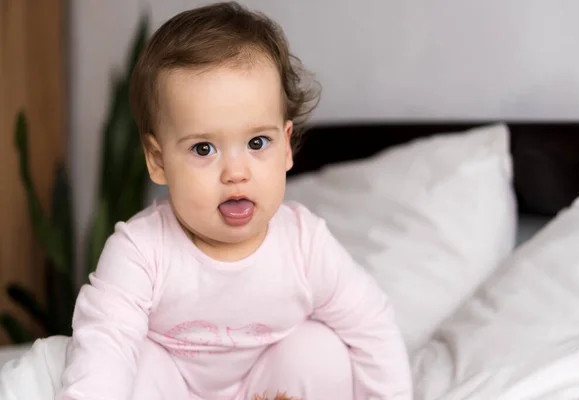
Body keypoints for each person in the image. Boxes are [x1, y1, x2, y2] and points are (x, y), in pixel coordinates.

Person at [57, 2, 412, 399]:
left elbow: (372, 325)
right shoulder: (140, 251)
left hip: (268, 390)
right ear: (158, 161)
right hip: (173, 387)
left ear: (287, 147)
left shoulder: (304, 245)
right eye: (204, 148)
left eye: (257, 143)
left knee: (321, 351)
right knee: (126, 359)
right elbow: (104, 345)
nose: (235, 172)